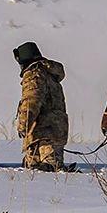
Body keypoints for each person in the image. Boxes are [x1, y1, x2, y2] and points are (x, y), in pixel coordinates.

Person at [15, 42, 70, 172]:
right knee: (51, 171)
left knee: (43, 176)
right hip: (54, 131)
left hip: (41, 135)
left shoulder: (34, 74)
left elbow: (31, 102)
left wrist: (23, 124)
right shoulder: (50, 74)